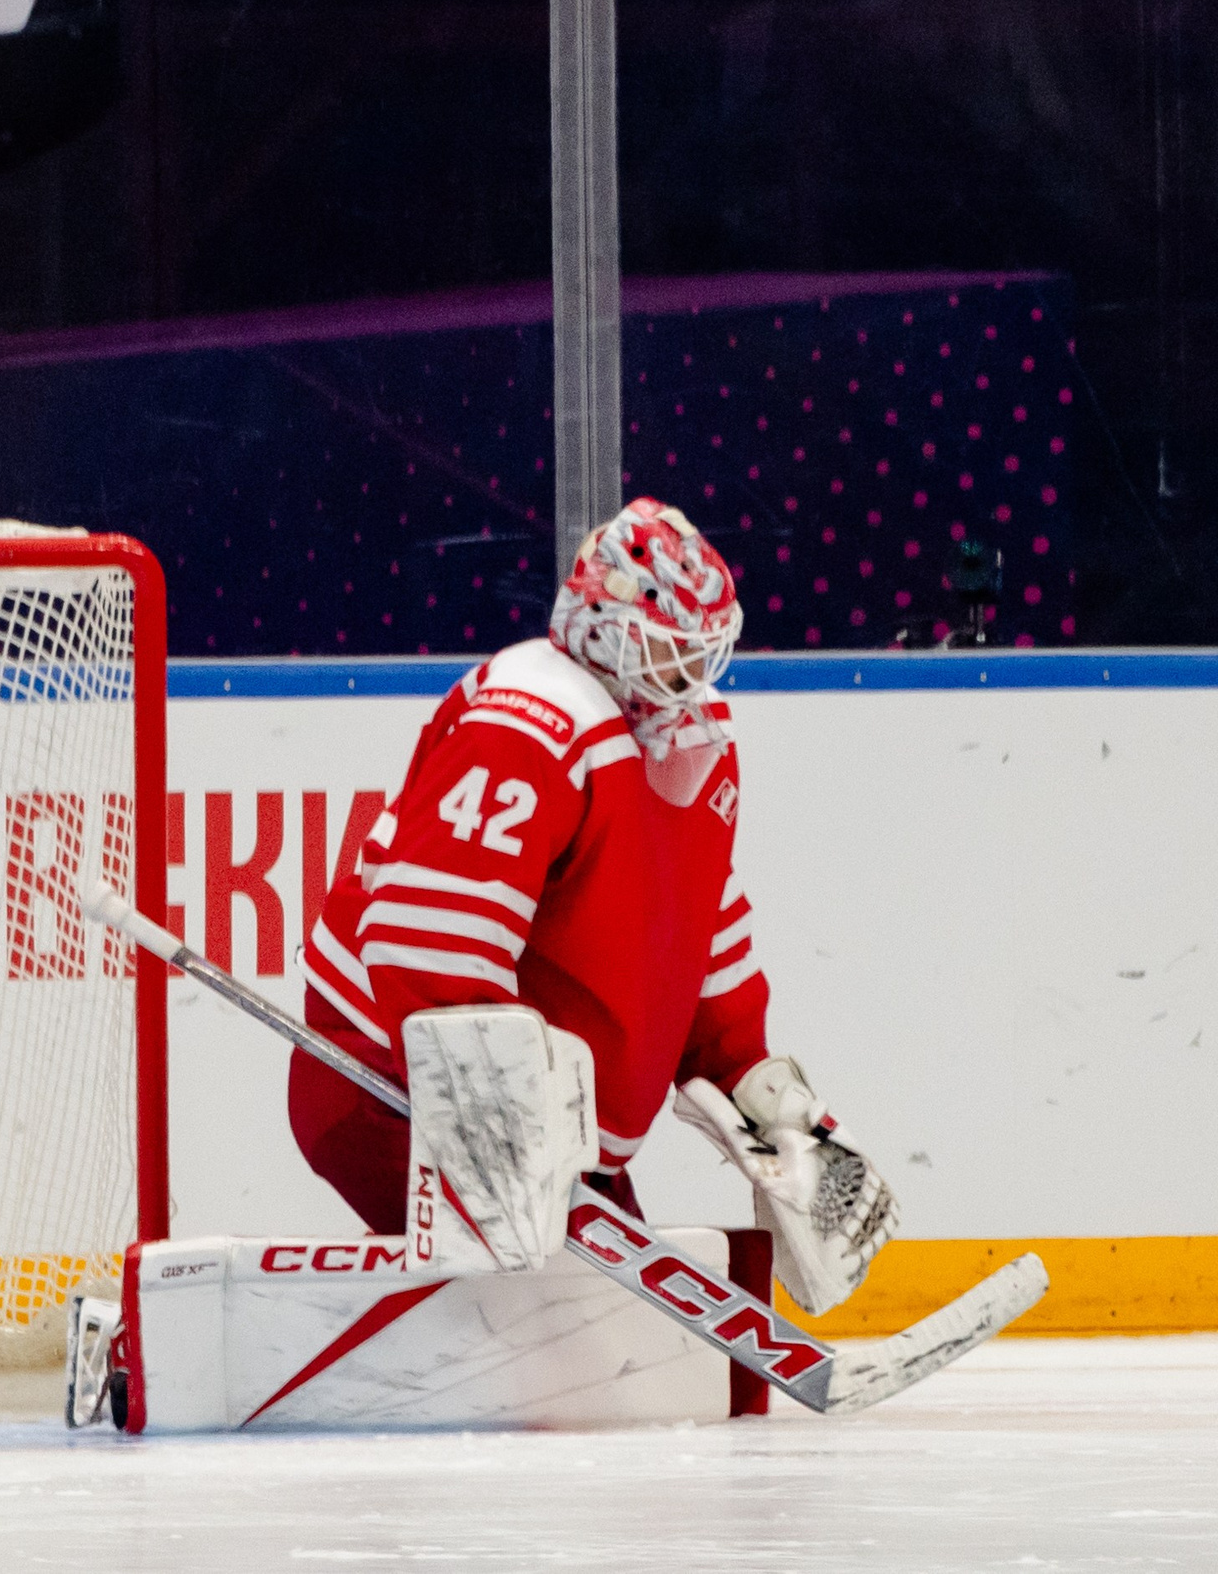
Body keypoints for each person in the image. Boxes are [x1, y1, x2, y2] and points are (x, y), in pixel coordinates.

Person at [291, 497, 898, 1313]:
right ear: (605, 625)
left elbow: (695, 926)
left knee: (633, 1327)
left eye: (700, 657)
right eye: (669, 654)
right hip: (390, 1088)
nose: (690, 684)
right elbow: (431, 951)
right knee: (571, 1325)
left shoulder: (694, 742)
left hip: (542, 1128)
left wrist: (756, 1088)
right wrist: (507, 1133)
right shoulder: (529, 720)